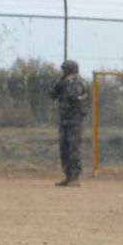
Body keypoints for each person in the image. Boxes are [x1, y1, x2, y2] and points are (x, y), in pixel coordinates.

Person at [49, 59, 89, 187]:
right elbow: (52, 94)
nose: (63, 72)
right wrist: (60, 83)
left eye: (65, 69)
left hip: (75, 121)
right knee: (64, 149)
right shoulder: (64, 82)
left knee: (74, 149)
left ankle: (75, 177)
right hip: (64, 120)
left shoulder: (79, 83)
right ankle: (67, 175)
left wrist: (68, 82)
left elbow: (73, 96)